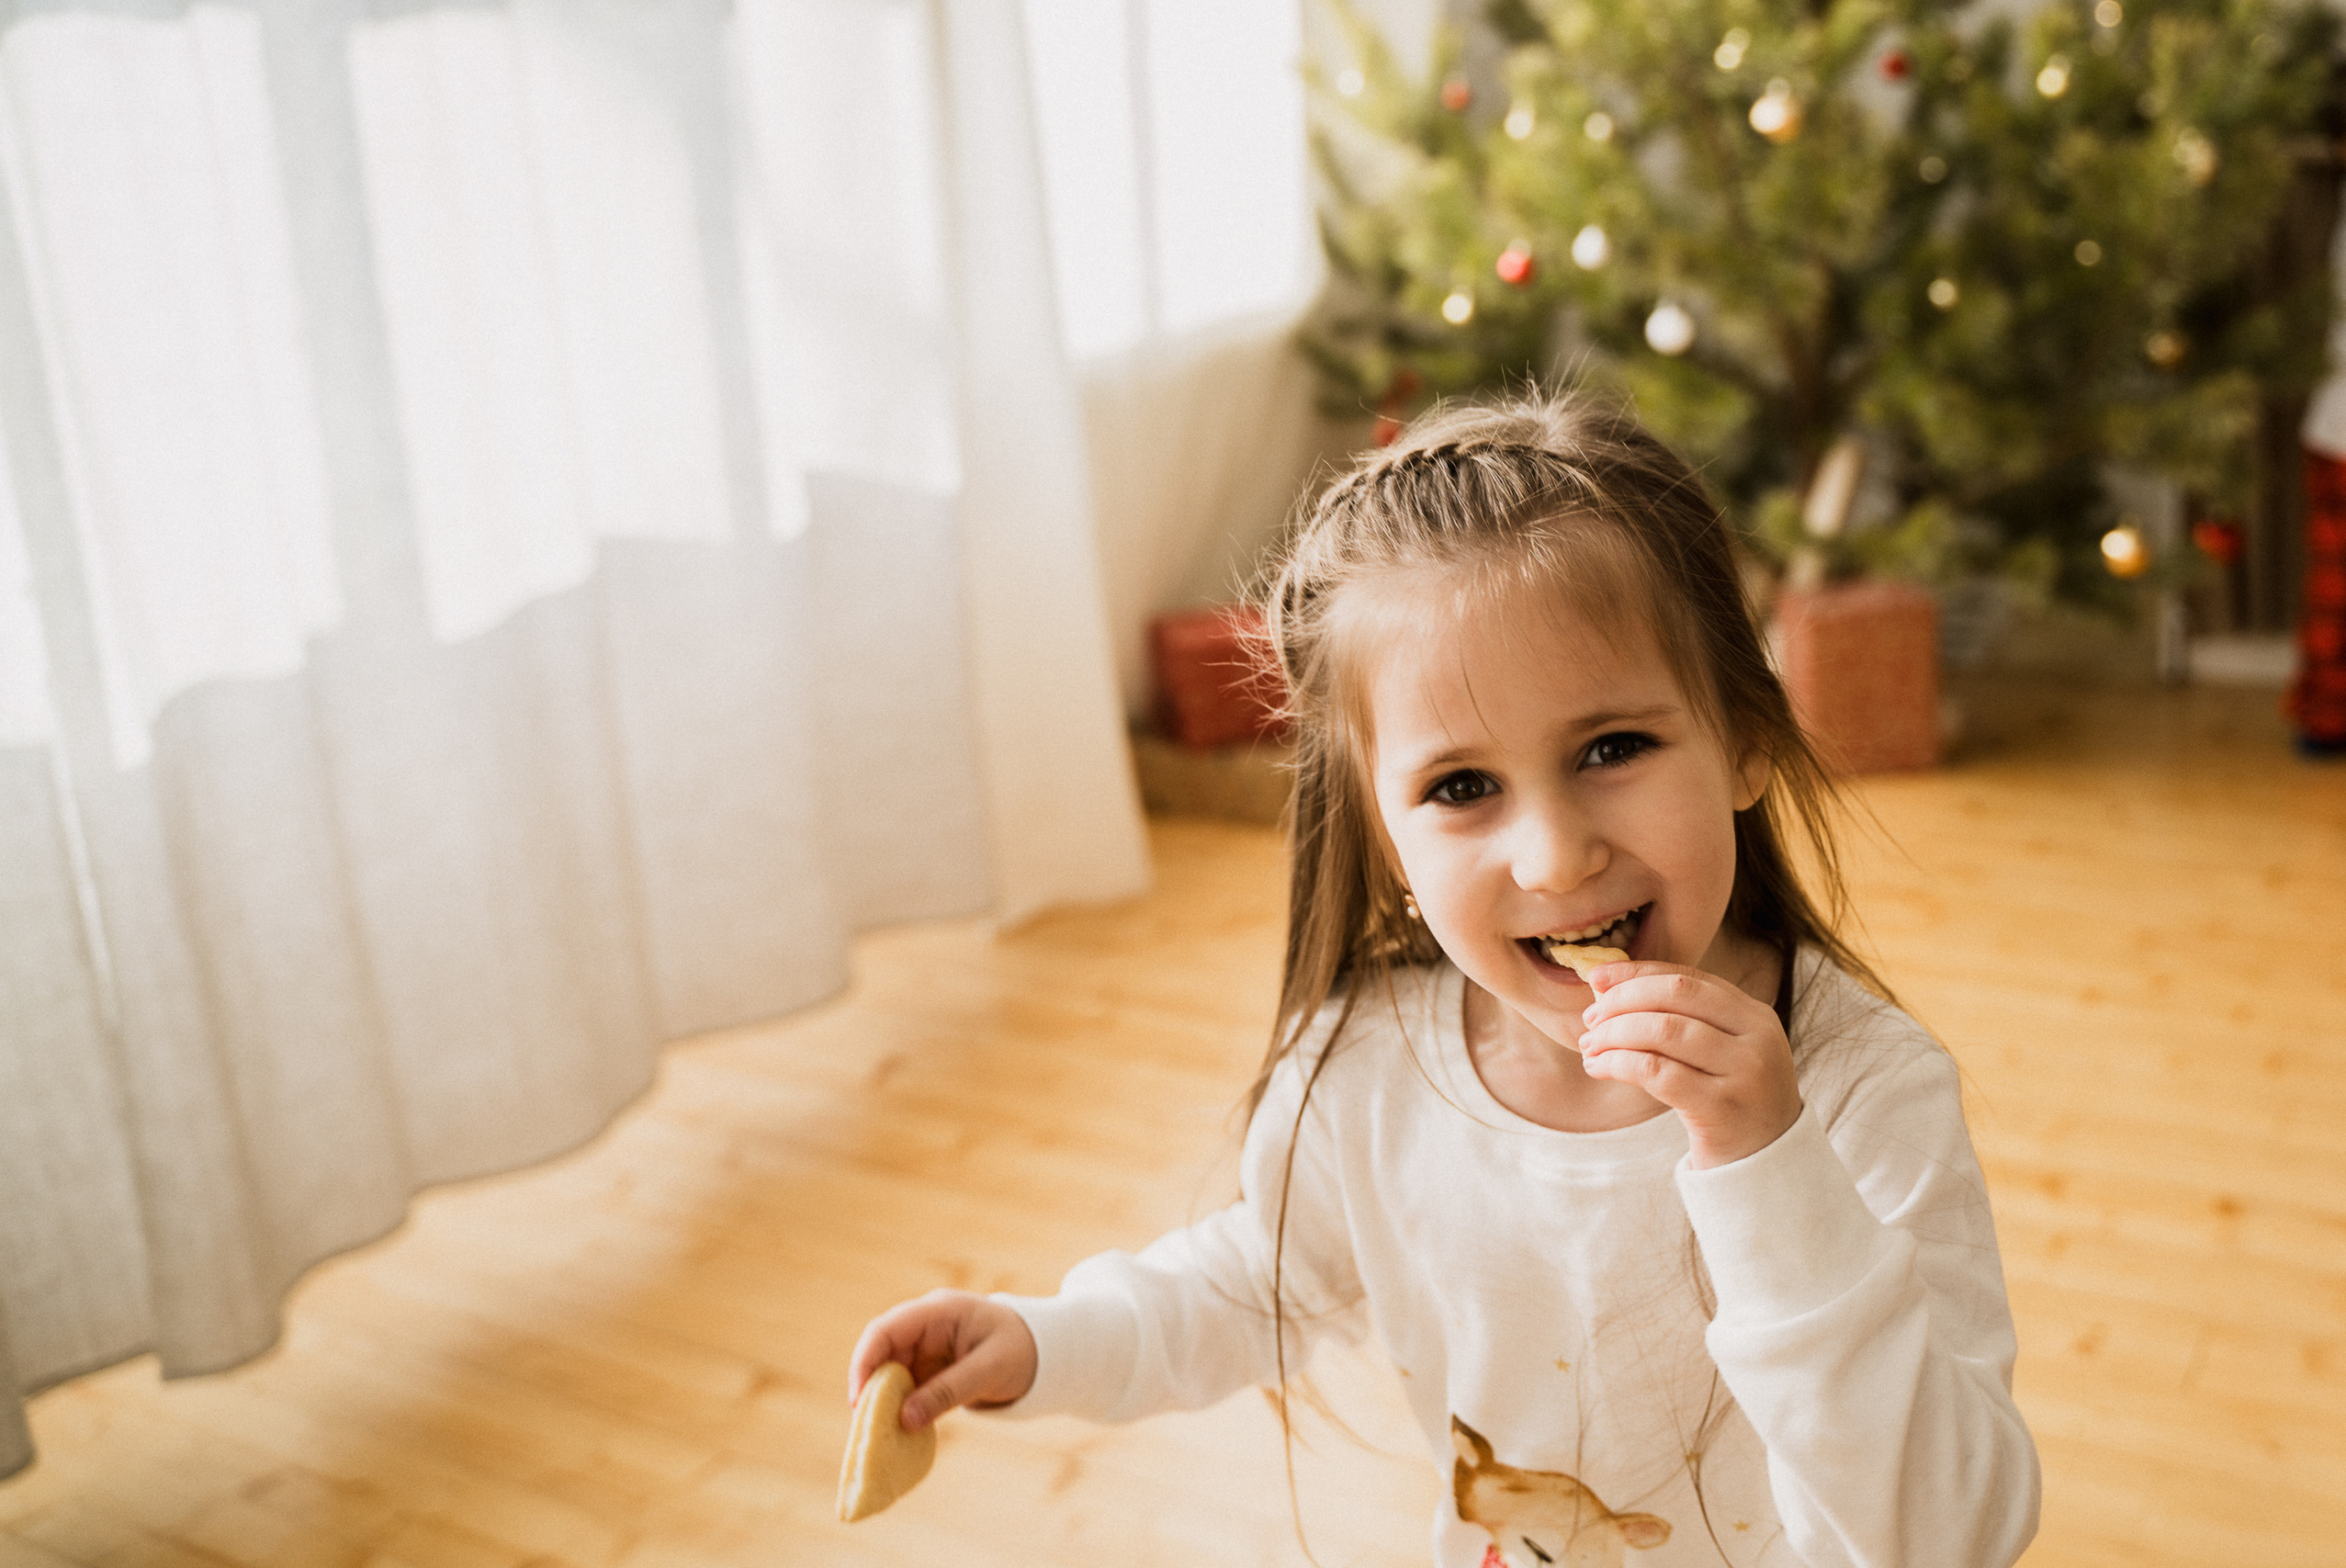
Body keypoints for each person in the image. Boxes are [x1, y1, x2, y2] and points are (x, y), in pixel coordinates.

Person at [849, 394, 2041, 1567]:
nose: (1557, 856)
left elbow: (1949, 1537)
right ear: (1384, 843)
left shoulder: (1865, 1095)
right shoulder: (1366, 1073)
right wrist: (1047, 1344)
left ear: (1746, 741)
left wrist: (1772, 1169)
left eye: (1612, 749)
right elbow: (1251, 1285)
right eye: (1463, 789)